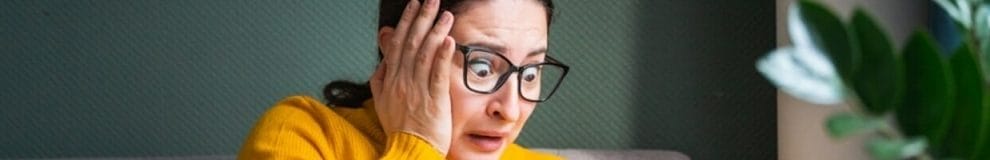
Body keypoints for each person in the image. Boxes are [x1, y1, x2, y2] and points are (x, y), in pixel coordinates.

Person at [238, 0, 568, 159]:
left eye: (530, 72)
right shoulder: (301, 137)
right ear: (398, 49)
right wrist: (416, 144)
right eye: (482, 67)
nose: (510, 110)